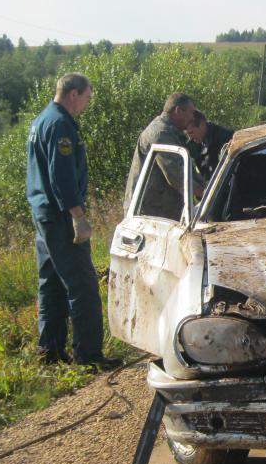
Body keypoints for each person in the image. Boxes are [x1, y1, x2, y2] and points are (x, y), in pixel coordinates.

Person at [25, 72, 118, 369]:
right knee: (83, 284)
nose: (86, 105)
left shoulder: (42, 120)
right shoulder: (61, 124)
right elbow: (61, 176)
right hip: (61, 216)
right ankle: (88, 355)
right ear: (74, 94)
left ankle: (50, 351)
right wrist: (78, 216)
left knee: (51, 282)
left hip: (43, 213)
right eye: (87, 98)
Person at [123, 91, 195, 210]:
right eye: (191, 112)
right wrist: (206, 194)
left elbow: (187, 169)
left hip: (159, 212)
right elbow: (177, 177)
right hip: (146, 214)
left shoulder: (173, 133)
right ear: (178, 111)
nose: (192, 117)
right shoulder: (160, 133)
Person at [181, 108, 232, 199]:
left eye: (191, 132)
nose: (191, 138)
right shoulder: (194, 144)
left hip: (226, 195)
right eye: (188, 134)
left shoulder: (225, 139)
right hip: (210, 194)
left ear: (202, 124)